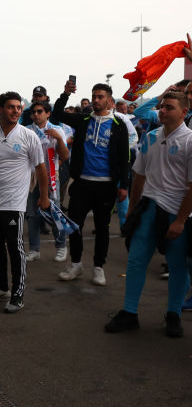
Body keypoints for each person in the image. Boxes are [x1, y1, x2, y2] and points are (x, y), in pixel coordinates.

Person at [105, 91, 192, 338]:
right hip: (149, 209)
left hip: (175, 213)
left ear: (184, 112)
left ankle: (173, 314)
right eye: (162, 106)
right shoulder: (151, 137)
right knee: (136, 261)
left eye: (169, 107)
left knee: (177, 267)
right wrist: (132, 211)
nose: (162, 110)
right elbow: (139, 177)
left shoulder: (189, 141)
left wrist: (181, 220)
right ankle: (129, 313)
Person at [0, 92, 49, 314]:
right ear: (0, 109)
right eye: (11, 107)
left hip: (14, 203)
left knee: (15, 249)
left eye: (18, 107)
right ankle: (1, 287)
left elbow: (41, 168)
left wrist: (44, 196)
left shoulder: (28, 136)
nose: (15, 111)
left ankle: (18, 293)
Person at [51, 81, 130, 286]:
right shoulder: (83, 120)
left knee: (102, 228)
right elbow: (57, 115)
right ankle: (76, 264)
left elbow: (124, 158)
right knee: (74, 225)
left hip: (106, 186)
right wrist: (65, 93)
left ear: (109, 101)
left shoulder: (119, 126)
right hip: (82, 183)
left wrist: (124, 185)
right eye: (94, 96)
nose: (96, 100)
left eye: (100, 96)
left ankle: (98, 268)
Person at [24, 100, 70, 262]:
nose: (36, 114)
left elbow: (64, 156)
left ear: (48, 113)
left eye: (39, 111)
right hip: (31, 177)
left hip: (51, 176)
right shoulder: (27, 131)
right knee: (32, 215)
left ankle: (61, 246)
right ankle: (34, 249)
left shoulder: (57, 130)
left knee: (55, 213)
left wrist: (58, 139)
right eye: (33, 112)